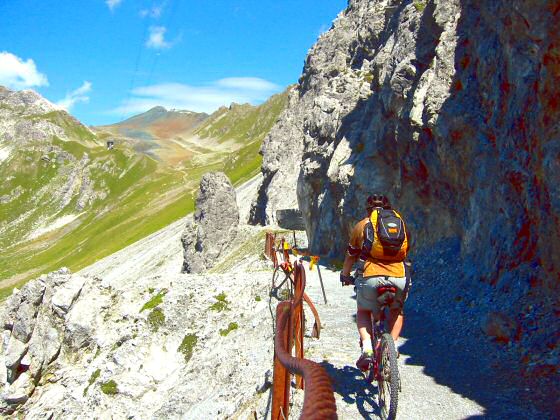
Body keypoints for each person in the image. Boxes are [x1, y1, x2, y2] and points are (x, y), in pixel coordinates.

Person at [340, 194, 411, 371]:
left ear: (368, 209)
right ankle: (392, 346)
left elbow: (351, 255)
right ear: (388, 208)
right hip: (400, 276)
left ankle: (368, 349)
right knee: (397, 310)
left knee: (363, 310)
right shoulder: (400, 224)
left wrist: (345, 274)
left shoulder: (362, 225)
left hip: (371, 276)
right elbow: (406, 251)